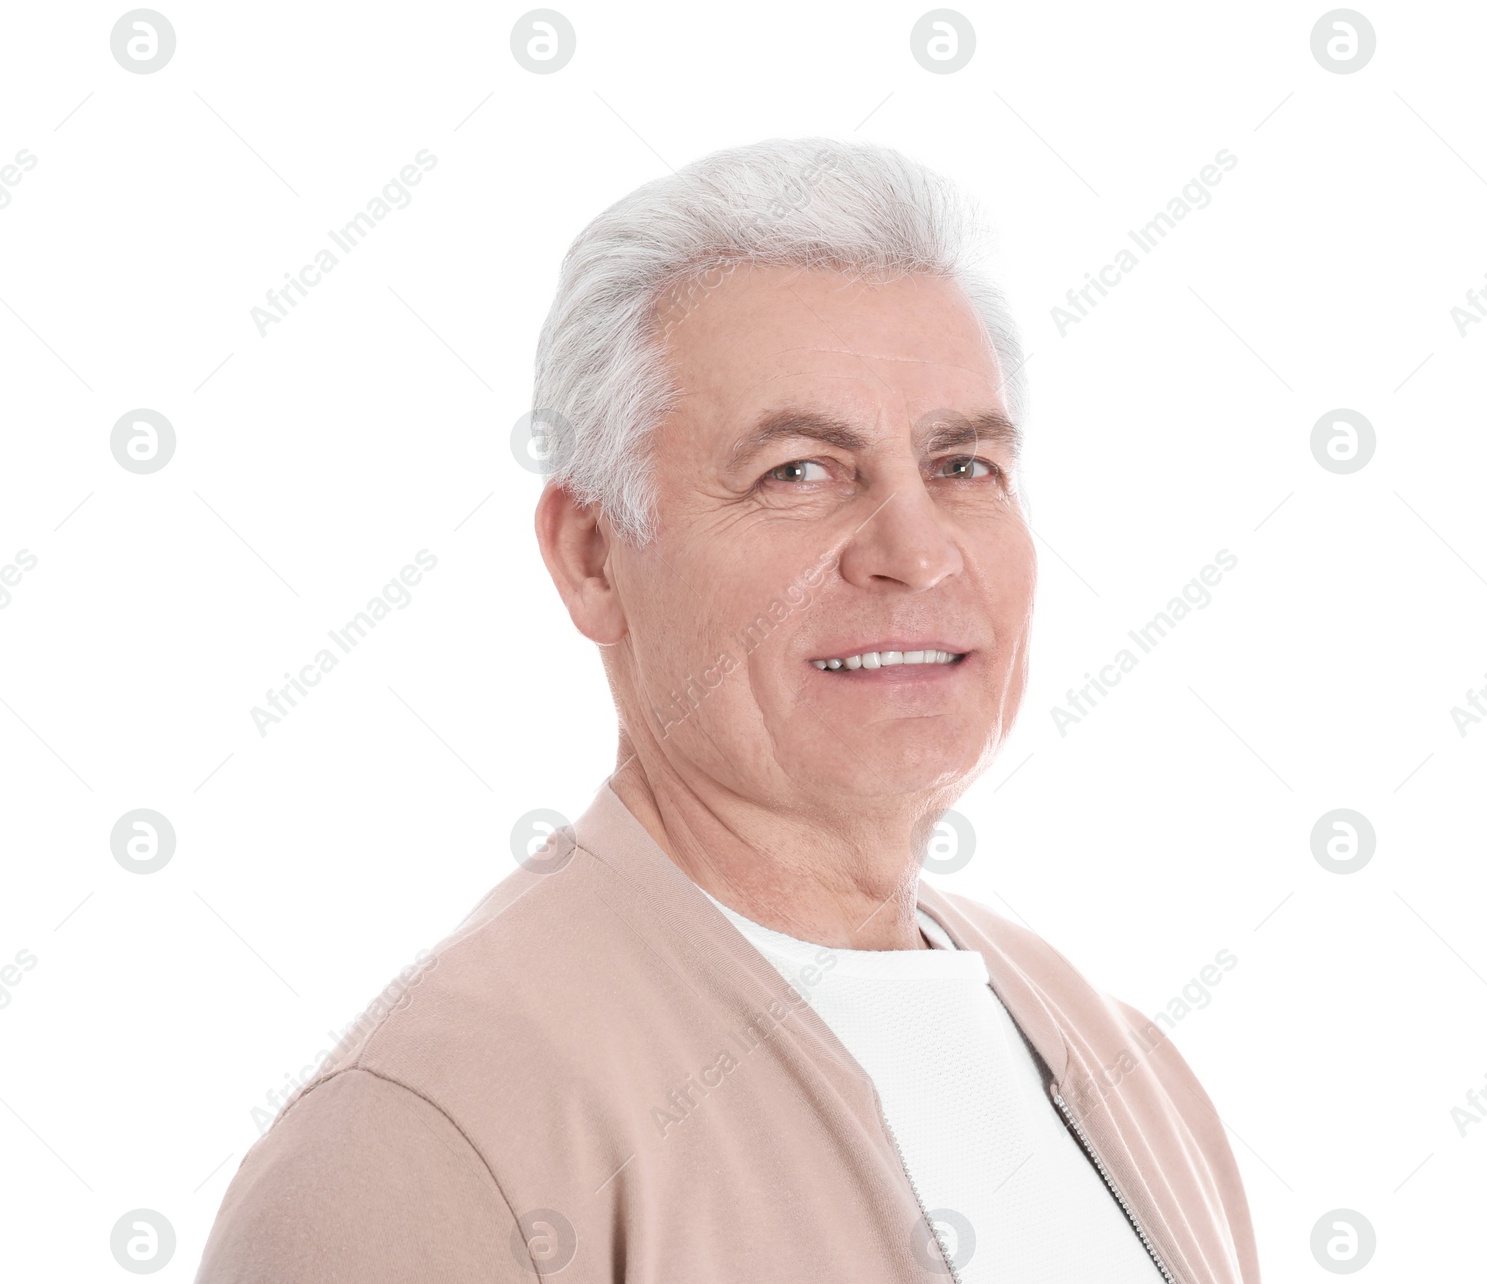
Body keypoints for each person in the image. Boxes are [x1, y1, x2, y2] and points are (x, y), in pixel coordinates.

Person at [195, 136, 1259, 1283]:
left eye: (961, 466)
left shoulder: (1130, 1072)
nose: (914, 552)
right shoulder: (424, 1145)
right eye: (798, 471)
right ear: (593, 555)